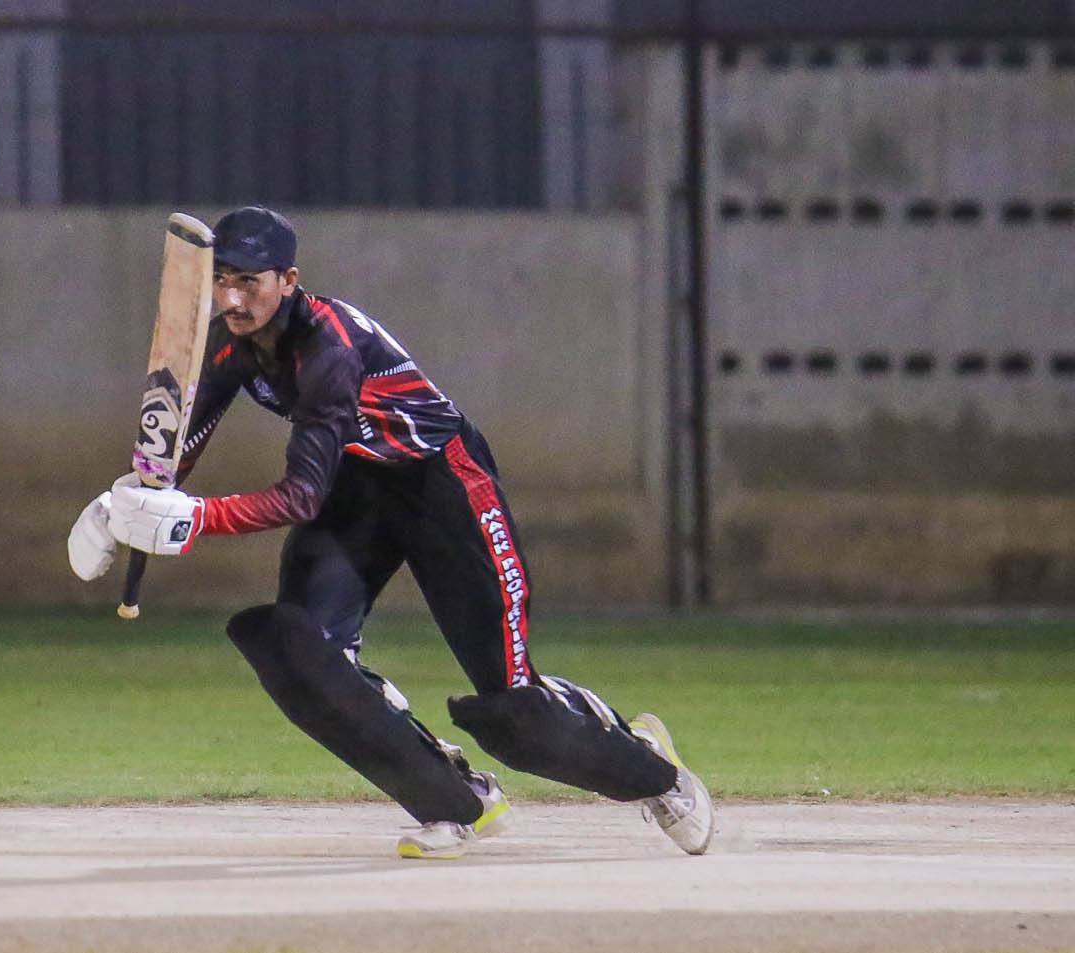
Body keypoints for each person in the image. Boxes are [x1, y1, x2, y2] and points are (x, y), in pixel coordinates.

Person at [68, 206, 713, 859]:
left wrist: (197, 518)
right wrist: (121, 505)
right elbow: (174, 452)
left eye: (250, 282)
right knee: (302, 651)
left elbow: (300, 494)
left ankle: (654, 771)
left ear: (288, 280)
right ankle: (455, 800)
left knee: (517, 711)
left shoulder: (328, 350)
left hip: (443, 485)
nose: (233, 299)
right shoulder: (227, 343)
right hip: (357, 487)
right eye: (223, 281)